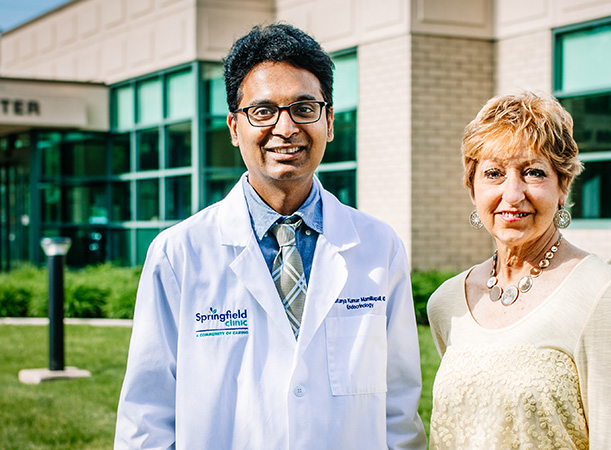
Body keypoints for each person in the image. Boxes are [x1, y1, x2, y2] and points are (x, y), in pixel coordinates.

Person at [115, 23, 426, 450]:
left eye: (304, 108)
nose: (286, 127)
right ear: (233, 127)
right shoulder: (179, 254)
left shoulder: (378, 246)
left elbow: (400, 406)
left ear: (329, 122)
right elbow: (146, 418)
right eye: (263, 111)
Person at [427, 91, 611, 449]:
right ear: (472, 188)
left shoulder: (602, 294)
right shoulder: (446, 303)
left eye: (533, 172)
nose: (512, 193)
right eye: (494, 173)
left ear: (563, 186)